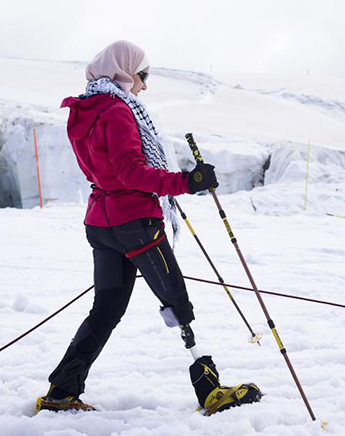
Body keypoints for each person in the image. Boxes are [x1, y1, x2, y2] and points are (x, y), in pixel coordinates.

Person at [37, 40, 260, 415]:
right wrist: (186, 183)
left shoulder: (83, 110)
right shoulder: (119, 111)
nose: (144, 85)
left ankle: (62, 391)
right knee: (177, 301)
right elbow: (130, 172)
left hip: (101, 222)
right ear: (124, 71)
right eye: (142, 75)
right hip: (136, 223)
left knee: (106, 310)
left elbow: (105, 171)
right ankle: (210, 390)